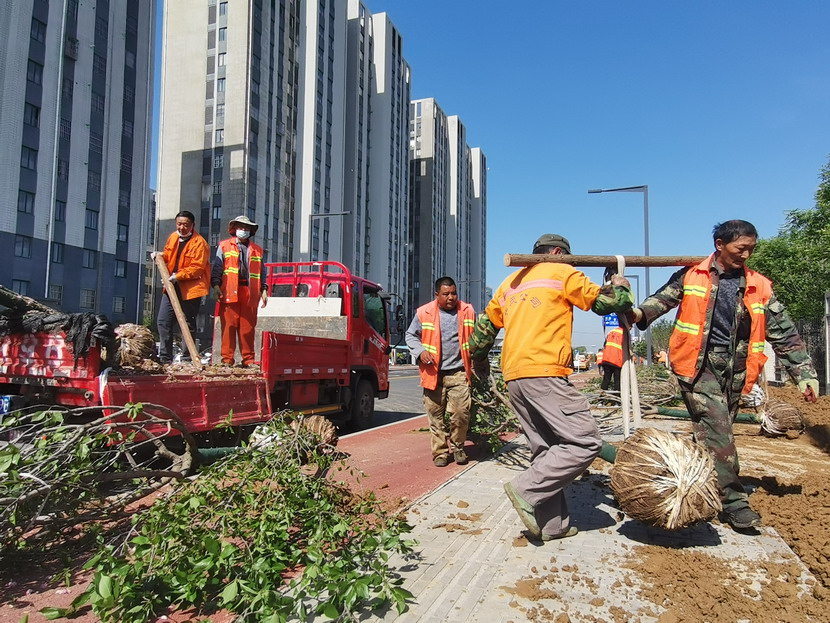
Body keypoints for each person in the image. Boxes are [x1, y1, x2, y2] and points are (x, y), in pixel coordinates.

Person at [629, 219, 819, 530]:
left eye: (751, 249)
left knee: (715, 433)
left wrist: (804, 373)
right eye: (741, 248)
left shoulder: (759, 285)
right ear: (720, 244)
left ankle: (697, 481)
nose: (746, 254)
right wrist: (634, 312)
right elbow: (658, 302)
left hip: (736, 370)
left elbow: (783, 331)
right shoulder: (692, 275)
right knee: (718, 429)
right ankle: (733, 502)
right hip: (697, 366)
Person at [468, 233, 633, 541]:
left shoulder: (509, 283)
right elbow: (609, 303)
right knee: (585, 442)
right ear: (558, 252)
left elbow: (483, 330)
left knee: (546, 450)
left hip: (514, 377)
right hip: (545, 372)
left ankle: (552, 526)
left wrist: (479, 363)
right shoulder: (562, 271)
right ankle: (525, 489)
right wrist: (620, 284)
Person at [405, 277, 483, 467]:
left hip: (459, 372)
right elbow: (410, 335)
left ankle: (458, 447)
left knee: (461, 413)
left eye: (454, 293)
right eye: (446, 294)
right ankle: (440, 452)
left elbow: (476, 338)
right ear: (437, 295)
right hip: (433, 373)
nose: (451, 297)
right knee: (435, 417)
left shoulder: (467, 311)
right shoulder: (424, 312)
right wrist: (420, 351)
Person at [154, 211, 210, 363]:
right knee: (163, 320)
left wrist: (177, 276)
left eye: (185, 224)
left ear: (192, 225)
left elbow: (197, 268)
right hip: (171, 287)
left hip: (191, 289)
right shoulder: (173, 237)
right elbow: (169, 254)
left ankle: (187, 357)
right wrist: (160, 256)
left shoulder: (200, 243)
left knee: (187, 323)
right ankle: (165, 358)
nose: (181, 227)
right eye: (179, 224)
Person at [211, 215, 268, 366]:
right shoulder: (224, 246)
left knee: (247, 328)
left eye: (246, 228)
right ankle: (227, 359)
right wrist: (215, 286)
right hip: (229, 290)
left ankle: (248, 359)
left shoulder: (257, 250)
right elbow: (217, 268)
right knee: (228, 326)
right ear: (235, 229)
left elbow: (262, 272)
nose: (243, 230)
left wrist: (264, 289)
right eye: (240, 227)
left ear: (250, 231)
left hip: (250, 292)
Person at [599, 326, 624, 391]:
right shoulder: (624, 333)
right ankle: (617, 395)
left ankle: (602, 394)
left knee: (606, 379)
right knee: (617, 380)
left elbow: (605, 345)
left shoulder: (611, 332)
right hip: (617, 360)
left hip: (607, 359)